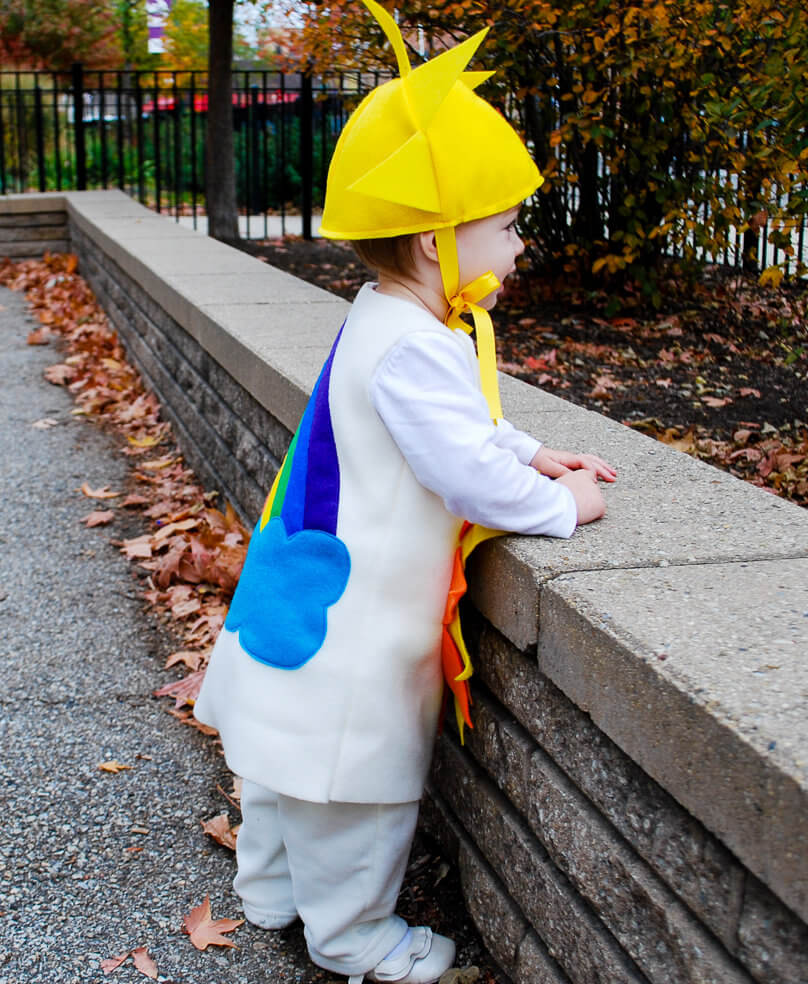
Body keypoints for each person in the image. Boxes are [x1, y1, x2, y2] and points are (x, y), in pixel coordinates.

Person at [193, 3, 615, 982]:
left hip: (299, 605)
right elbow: (464, 467)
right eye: (505, 229)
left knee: (283, 774)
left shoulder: (386, 321)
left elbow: (457, 427)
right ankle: (354, 938)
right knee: (353, 793)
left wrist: (534, 446)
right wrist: (561, 505)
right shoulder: (415, 347)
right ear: (436, 242)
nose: (516, 249)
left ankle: (270, 893)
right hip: (356, 638)